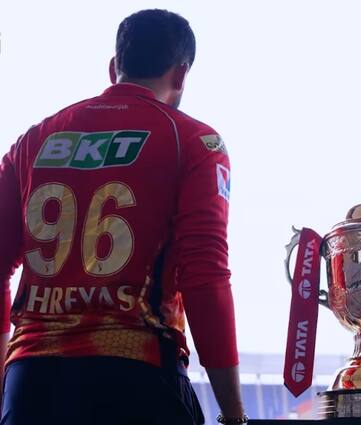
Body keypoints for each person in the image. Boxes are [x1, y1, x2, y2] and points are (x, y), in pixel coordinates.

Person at [0, 9, 246, 425]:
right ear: (181, 73)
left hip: (31, 383)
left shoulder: (32, 141)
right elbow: (204, 275)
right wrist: (234, 413)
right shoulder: (195, 141)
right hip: (137, 377)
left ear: (115, 67)